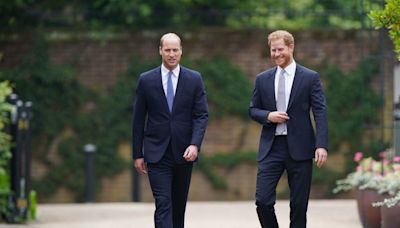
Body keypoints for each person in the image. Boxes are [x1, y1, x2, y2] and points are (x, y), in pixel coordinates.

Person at [249, 30, 328, 228]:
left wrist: (321, 145)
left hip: (300, 149)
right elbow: (252, 110)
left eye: (280, 49)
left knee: (299, 206)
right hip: (271, 148)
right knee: (263, 201)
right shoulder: (262, 79)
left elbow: (320, 112)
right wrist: (268, 116)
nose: (276, 54)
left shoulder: (310, 77)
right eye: (273, 50)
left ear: (291, 47)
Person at [132, 33, 208, 228]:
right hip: (157, 153)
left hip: (184, 153)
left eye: (175, 50)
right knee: (163, 203)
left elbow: (201, 115)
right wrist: (137, 154)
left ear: (181, 51)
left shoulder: (194, 79)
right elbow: (138, 119)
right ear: (160, 51)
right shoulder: (146, 80)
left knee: (178, 207)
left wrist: (195, 144)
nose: (172, 54)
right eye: (168, 50)